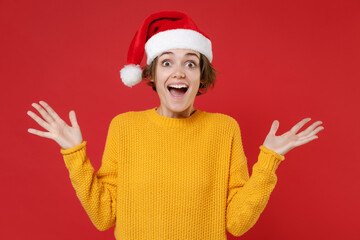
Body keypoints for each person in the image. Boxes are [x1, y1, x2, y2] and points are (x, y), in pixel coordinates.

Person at [27, 11, 324, 239]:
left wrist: (268, 161)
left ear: (202, 77)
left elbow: (236, 222)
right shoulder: (124, 127)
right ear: (152, 75)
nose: (179, 72)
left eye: (191, 63)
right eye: (167, 62)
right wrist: (74, 154)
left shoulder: (224, 130)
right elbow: (104, 216)